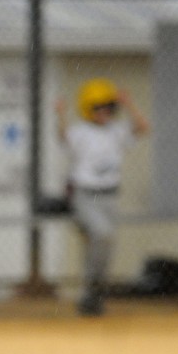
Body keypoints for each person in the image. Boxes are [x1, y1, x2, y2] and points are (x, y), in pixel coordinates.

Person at [56, 77, 150, 316]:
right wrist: (60, 114)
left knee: (103, 248)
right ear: (88, 109)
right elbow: (64, 137)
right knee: (102, 235)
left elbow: (142, 127)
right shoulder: (81, 131)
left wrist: (128, 104)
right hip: (85, 195)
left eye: (109, 107)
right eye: (99, 107)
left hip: (109, 196)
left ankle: (92, 296)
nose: (105, 112)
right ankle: (92, 292)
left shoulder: (116, 131)